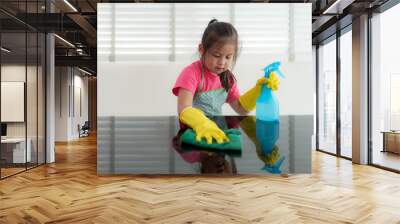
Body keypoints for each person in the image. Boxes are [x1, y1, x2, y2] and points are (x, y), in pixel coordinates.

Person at [172, 19, 276, 145]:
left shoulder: (227, 78)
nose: (222, 62)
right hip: (194, 133)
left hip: (216, 131)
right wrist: (202, 123)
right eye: (216, 55)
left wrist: (259, 90)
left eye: (228, 57)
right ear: (201, 49)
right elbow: (183, 108)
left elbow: (241, 109)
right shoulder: (191, 73)